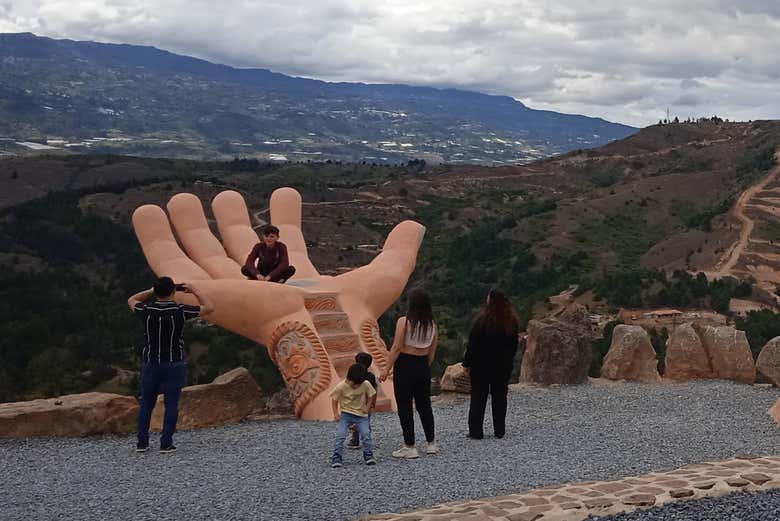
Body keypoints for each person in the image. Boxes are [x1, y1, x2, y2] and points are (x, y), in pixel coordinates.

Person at [128, 277, 214, 453]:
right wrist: (195, 291)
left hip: (151, 361)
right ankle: (166, 443)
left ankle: (142, 443)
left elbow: (132, 300)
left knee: (147, 404)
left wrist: (151, 291)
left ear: (157, 291)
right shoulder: (179, 311)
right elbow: (209, 308)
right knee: (171, 403)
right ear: (173, 292)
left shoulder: (147, 310)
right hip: (174, 362)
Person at [379, 289, 438, 459]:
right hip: (422, 365)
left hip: (405, 365)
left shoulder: (404, 322)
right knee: (424, 405)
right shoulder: (432, 323)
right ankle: (431, 443)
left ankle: (409, 445)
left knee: (405, 406)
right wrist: (425, 366)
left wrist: (386, 369)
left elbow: (396, 347)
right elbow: (432, 350)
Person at [462, 288, 519, 440]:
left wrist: (466, 363)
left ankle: (476, 431)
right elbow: (514, 345)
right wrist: (509, 360)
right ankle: (499, 430)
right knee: (500, 397)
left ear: (490, 301)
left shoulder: (482, 321)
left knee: (478, 398)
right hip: (502, 365)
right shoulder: (511, 321)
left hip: (481, 365)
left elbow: (472, 344)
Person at [330, 363, 377, 468]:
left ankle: (368, 454)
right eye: (355, 384)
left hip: (361, 415)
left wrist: (368, 407)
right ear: (349, 378)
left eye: (359, 385)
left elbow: (371, 395)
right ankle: (337, 456)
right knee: (340, 435)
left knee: (366, 434)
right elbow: (334, 400)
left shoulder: (365, 384)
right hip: (346, 415)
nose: (356, 386)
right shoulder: (341, 386)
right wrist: (335, 413)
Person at [347, 352, 377, 449]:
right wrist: (373, 402)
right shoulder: (371, 376)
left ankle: (355, 440)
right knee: (365, 421)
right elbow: (374, 391)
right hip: (367, 403)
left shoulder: (354, 376)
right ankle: (366, 440)